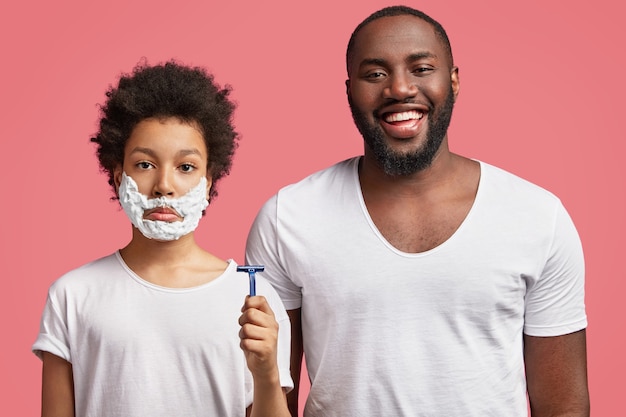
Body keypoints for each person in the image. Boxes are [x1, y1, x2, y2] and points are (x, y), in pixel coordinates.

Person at [245, 5, 589, 417]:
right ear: (350, 89)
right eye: (375, 74)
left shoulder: (538, 217)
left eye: (422, 68)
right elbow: (269, 397)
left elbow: (564, 407)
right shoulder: (288, 218)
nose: (400, 89)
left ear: (455, 80)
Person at [33, 60, 292, 417]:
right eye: (144, 165)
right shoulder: (72, 295)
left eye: (186, 167)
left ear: (209, 181)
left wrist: (265, 375)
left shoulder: (253, 298)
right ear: (117, 174)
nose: (164, 187)